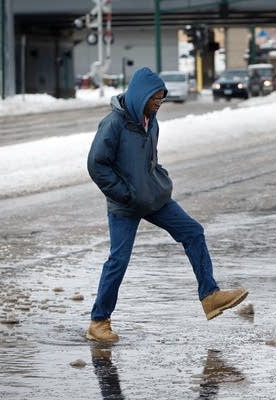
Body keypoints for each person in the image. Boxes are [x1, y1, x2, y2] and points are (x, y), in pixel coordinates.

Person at [86, 67, 248, 343]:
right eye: (154, 99)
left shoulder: (152, 121)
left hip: (154, 198)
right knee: (118, 260)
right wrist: (124, 193)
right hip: (125, 205)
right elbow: (96, 165)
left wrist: (159, 178)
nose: (158, 104)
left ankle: (210, 296)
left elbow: (149, 160)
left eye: (161, 99)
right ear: (140, 96)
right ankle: (99, 322)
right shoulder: (113, 124)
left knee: (193, 232)